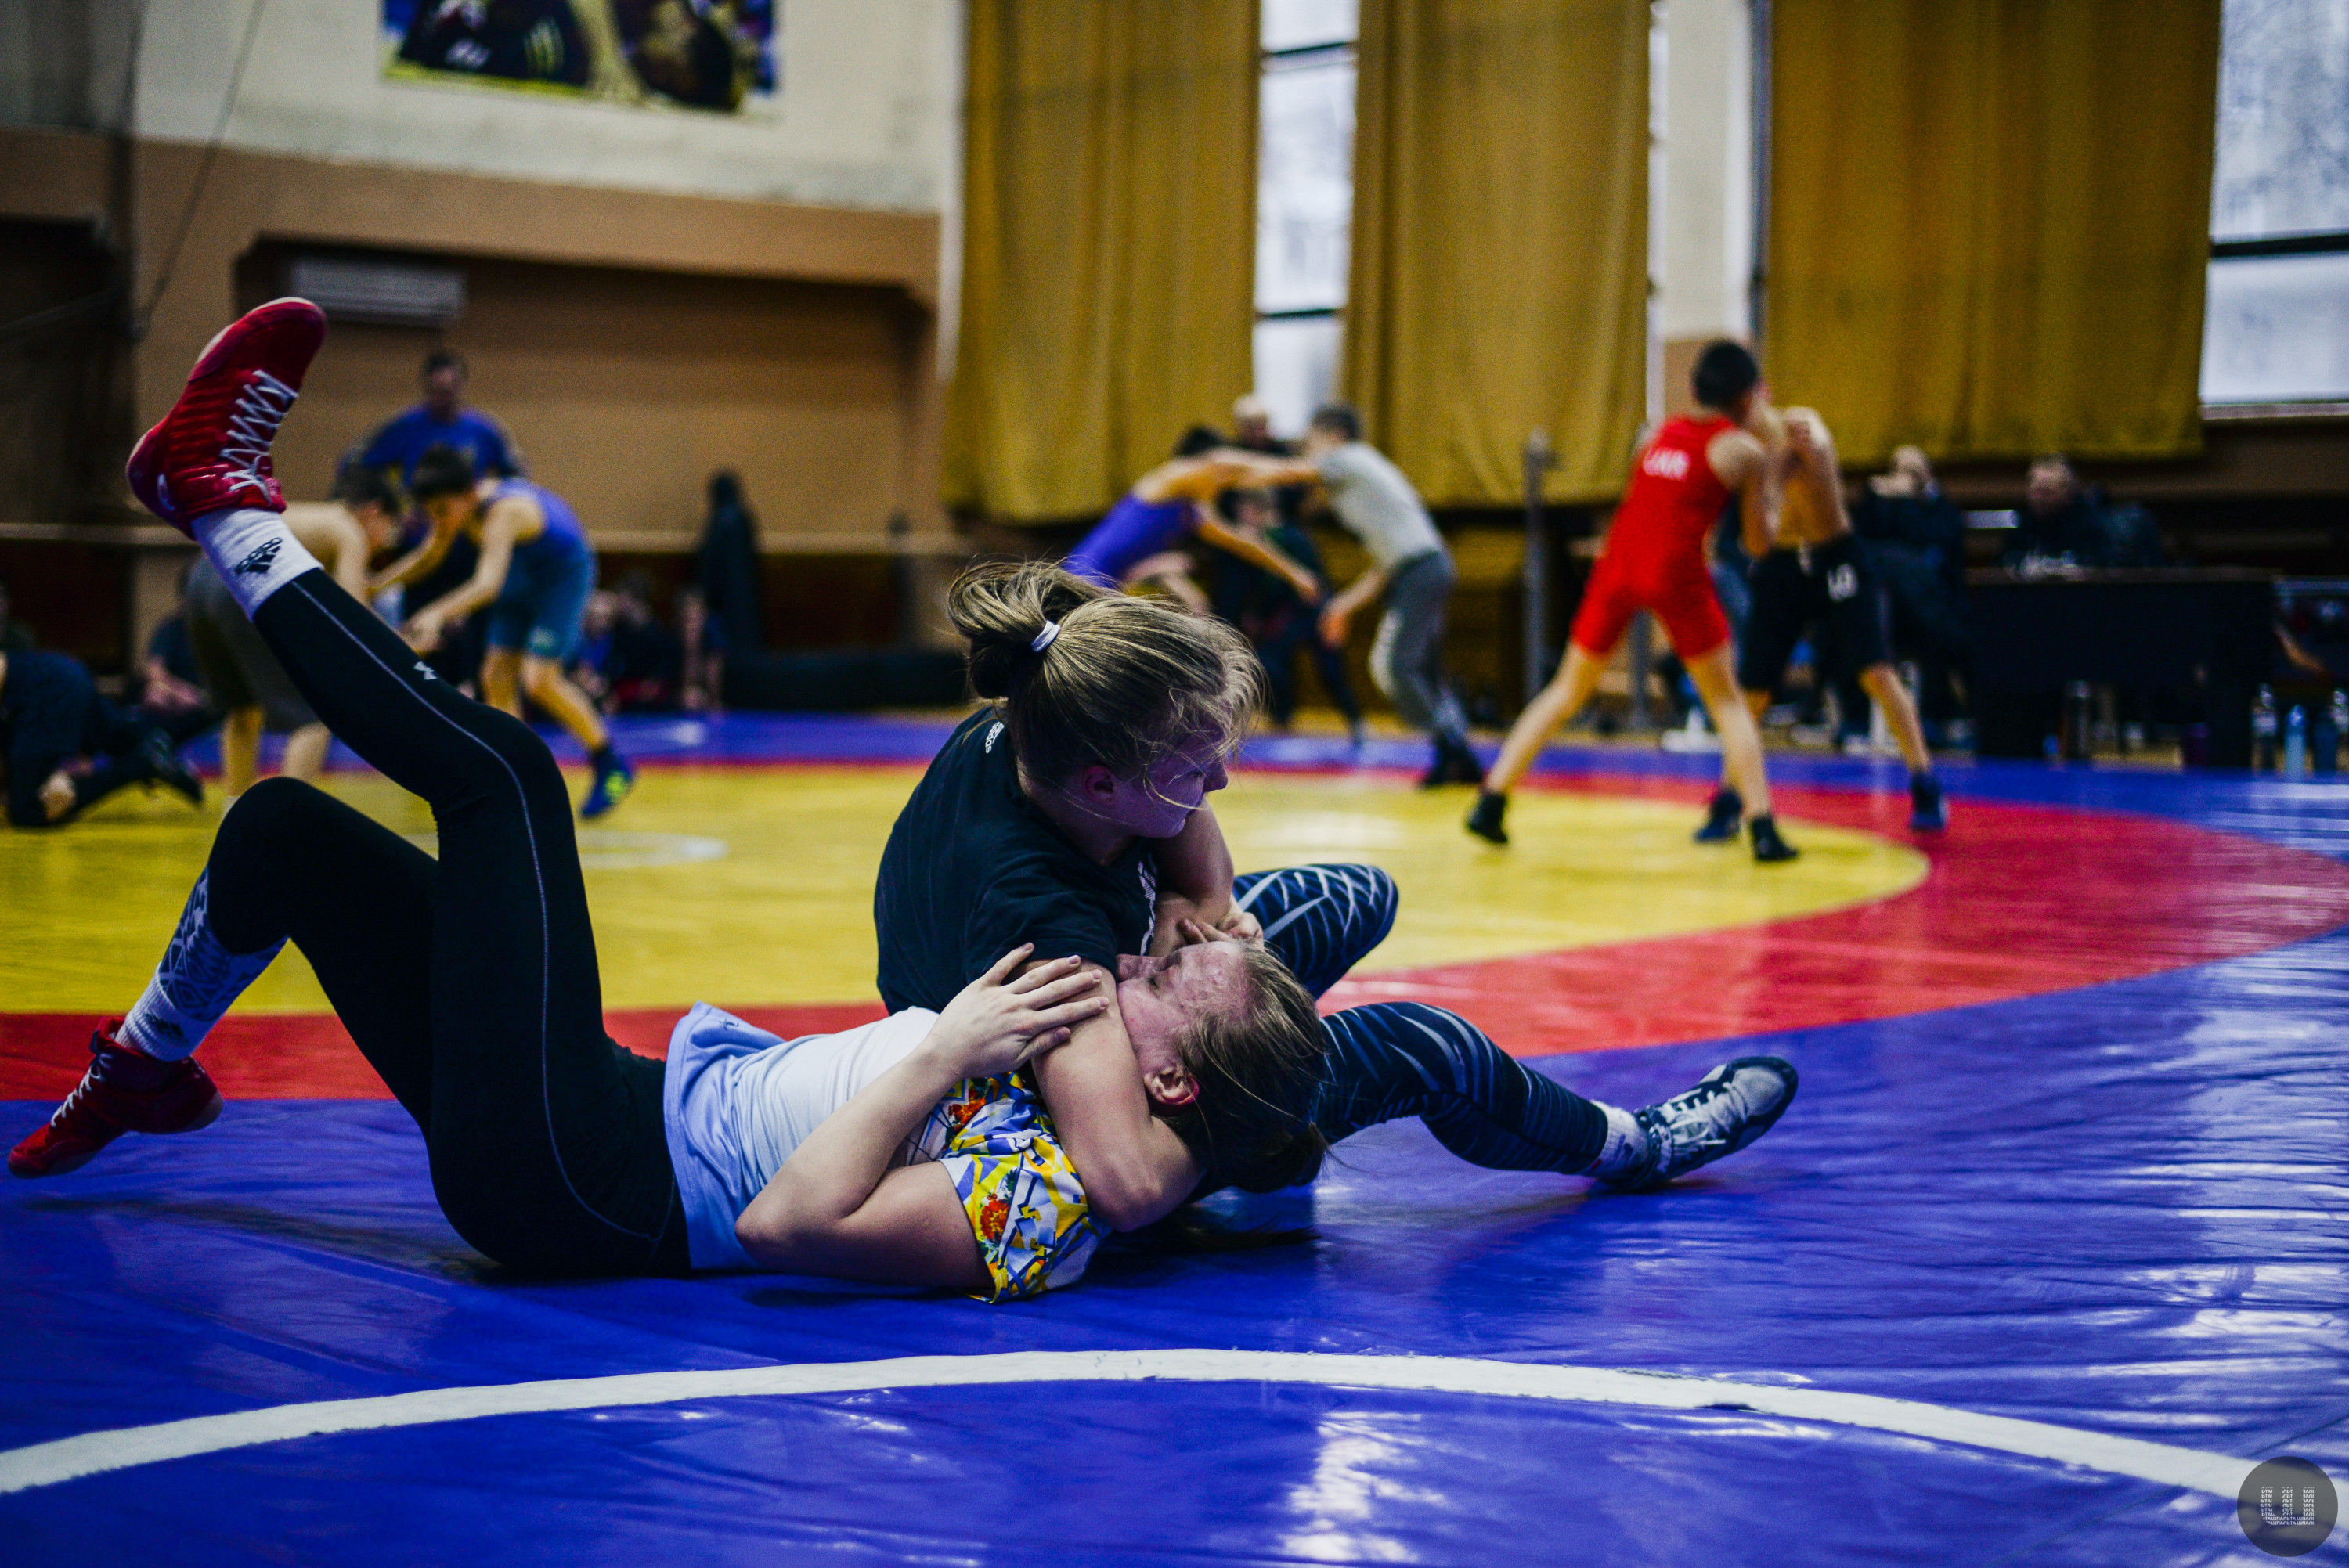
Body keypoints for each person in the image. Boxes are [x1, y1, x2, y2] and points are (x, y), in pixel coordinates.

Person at [25, 296, 1339, 1301]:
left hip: (580, 1182)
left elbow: (800, 1221)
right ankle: (143, 1064)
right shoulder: (1069, 920)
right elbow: (1171, 838)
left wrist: (955, 1055)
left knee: (508, 777)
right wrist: (1210, 920)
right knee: (285, 830)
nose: (1144, 949)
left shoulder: (1053, 1180)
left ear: (1168, 1070)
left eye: (1172, 977)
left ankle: (227, 505)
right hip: (614, 1105)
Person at [875, 559, 1800, 1234]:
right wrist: (1256, 1114)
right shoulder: (1046, 927)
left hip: (1120, 1011)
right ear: (1105, 786)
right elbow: (1121, 1182)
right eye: (1195, 770)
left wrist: (1181, 912)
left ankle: (1256, 1094)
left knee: (1352, 896)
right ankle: (1637, 1145)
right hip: (1049, 1131)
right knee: (1416, 1046)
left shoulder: (1050, 710)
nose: (1220, 783)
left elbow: (1203, 864)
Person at [1467, 342, 1795, 860]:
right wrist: (1772, 464)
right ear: (1748, 396)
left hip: (1618, 564)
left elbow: (1642, 501)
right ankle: (1763, 829)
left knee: (1567, 689)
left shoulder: (1654, 433)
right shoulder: (1741, 451)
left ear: (1696, 389)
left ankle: (1491, 800)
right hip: (1675, 571)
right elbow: (1759, 543)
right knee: (1728, 703)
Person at [373, 444, 633, 816]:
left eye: (442, 511)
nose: (438, 521)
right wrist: (374, 585)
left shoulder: (505, 512)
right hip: (520, 576)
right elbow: (428, 557)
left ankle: (610, 762)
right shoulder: (457, 507)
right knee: (495, 677)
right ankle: (520, 774)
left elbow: (487, 585)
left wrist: (435, 614)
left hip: (560, 577)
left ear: (469, 494)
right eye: (431, 512)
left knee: (538, 679)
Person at [1735, 410, 1947, 832]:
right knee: (1753, 692)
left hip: (1836, 556)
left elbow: (1817, 445)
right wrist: (1762, 489)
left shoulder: (1801, 426)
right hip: (1785, 565)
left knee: (1876, 672)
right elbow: (1758, 545)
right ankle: (1730, 794)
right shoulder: (1743, 456)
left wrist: (1789, 462)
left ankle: (1924, 780)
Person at [1250, 404, 1481, 788]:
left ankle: (1453, 747)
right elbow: (1387, 565)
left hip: (1421, 570)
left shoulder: (1349, 458)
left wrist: (1226, 469)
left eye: (1312, 442)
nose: (1308, 451)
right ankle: (1455, 754)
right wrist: (1342, 606)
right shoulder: (1364, 477)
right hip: (1425, 567)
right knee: (1423, 671)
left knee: (1394, 666)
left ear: (1334, 436)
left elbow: (1288, 472)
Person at [185, 499, 370, 804]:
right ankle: (287, 821)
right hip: (245, 578)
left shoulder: (308, 517)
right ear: (374, 512)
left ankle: (235, 816)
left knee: (243, 710)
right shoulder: (348, 529)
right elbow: (356, 620)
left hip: (201, 579)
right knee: (317, 714)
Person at [1062, 427, 1326, 614]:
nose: (1222, 485)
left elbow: (1246, 544)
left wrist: (1296, 574)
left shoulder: (1192, 513)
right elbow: (1223, 463)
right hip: (1082, 584)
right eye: (1218, 477)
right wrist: (1307, 469)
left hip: (1105, 590)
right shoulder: (1167, 480)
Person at [1208, 488, 1366, 744]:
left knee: (1330, 671)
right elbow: (1257, 587)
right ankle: (1282, 720)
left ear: (1254, 510)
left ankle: (1355, 722)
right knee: (1271, 662)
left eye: (1243, 512)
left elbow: (1314, 582)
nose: (1241, 519)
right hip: (1286, 617)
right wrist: (1255, 614)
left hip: (1312, 614)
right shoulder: (1259, 539)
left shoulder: (1288, 536)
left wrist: (1331, 615)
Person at [0, 647, 202, 827]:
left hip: (47, 689)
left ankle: (141, 764)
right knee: (117, 736)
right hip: (60, 672)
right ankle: (151, 746)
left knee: (28, 808)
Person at [1851, 445, 1970, 744]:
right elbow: (1860, 545)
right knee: (1845, 628)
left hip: (1933, 607)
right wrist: (1881, 497)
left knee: (1939, 632)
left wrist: (1907, 501)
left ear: (1927, 474)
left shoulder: (1941, 509)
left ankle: (1933, 718)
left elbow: (1929, 546)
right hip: (1887, 608)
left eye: (1913, 472)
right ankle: (1854, 720)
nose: (1905, 479)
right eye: (1898, 471)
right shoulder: (1879, 503)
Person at [348, 350, 520, 488]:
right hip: (418, 516)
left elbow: (516, 475)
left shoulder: (485, 429)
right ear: (426, 387)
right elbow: (355, 465)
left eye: (448, 392)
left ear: (461, 387)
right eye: (436, 391)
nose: (443, 399)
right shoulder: (403, 426)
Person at [695, 470, 764, 656]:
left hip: (723, 596)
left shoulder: (720, 521)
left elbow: (709, 562)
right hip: (745, 593)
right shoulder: (743, 518)